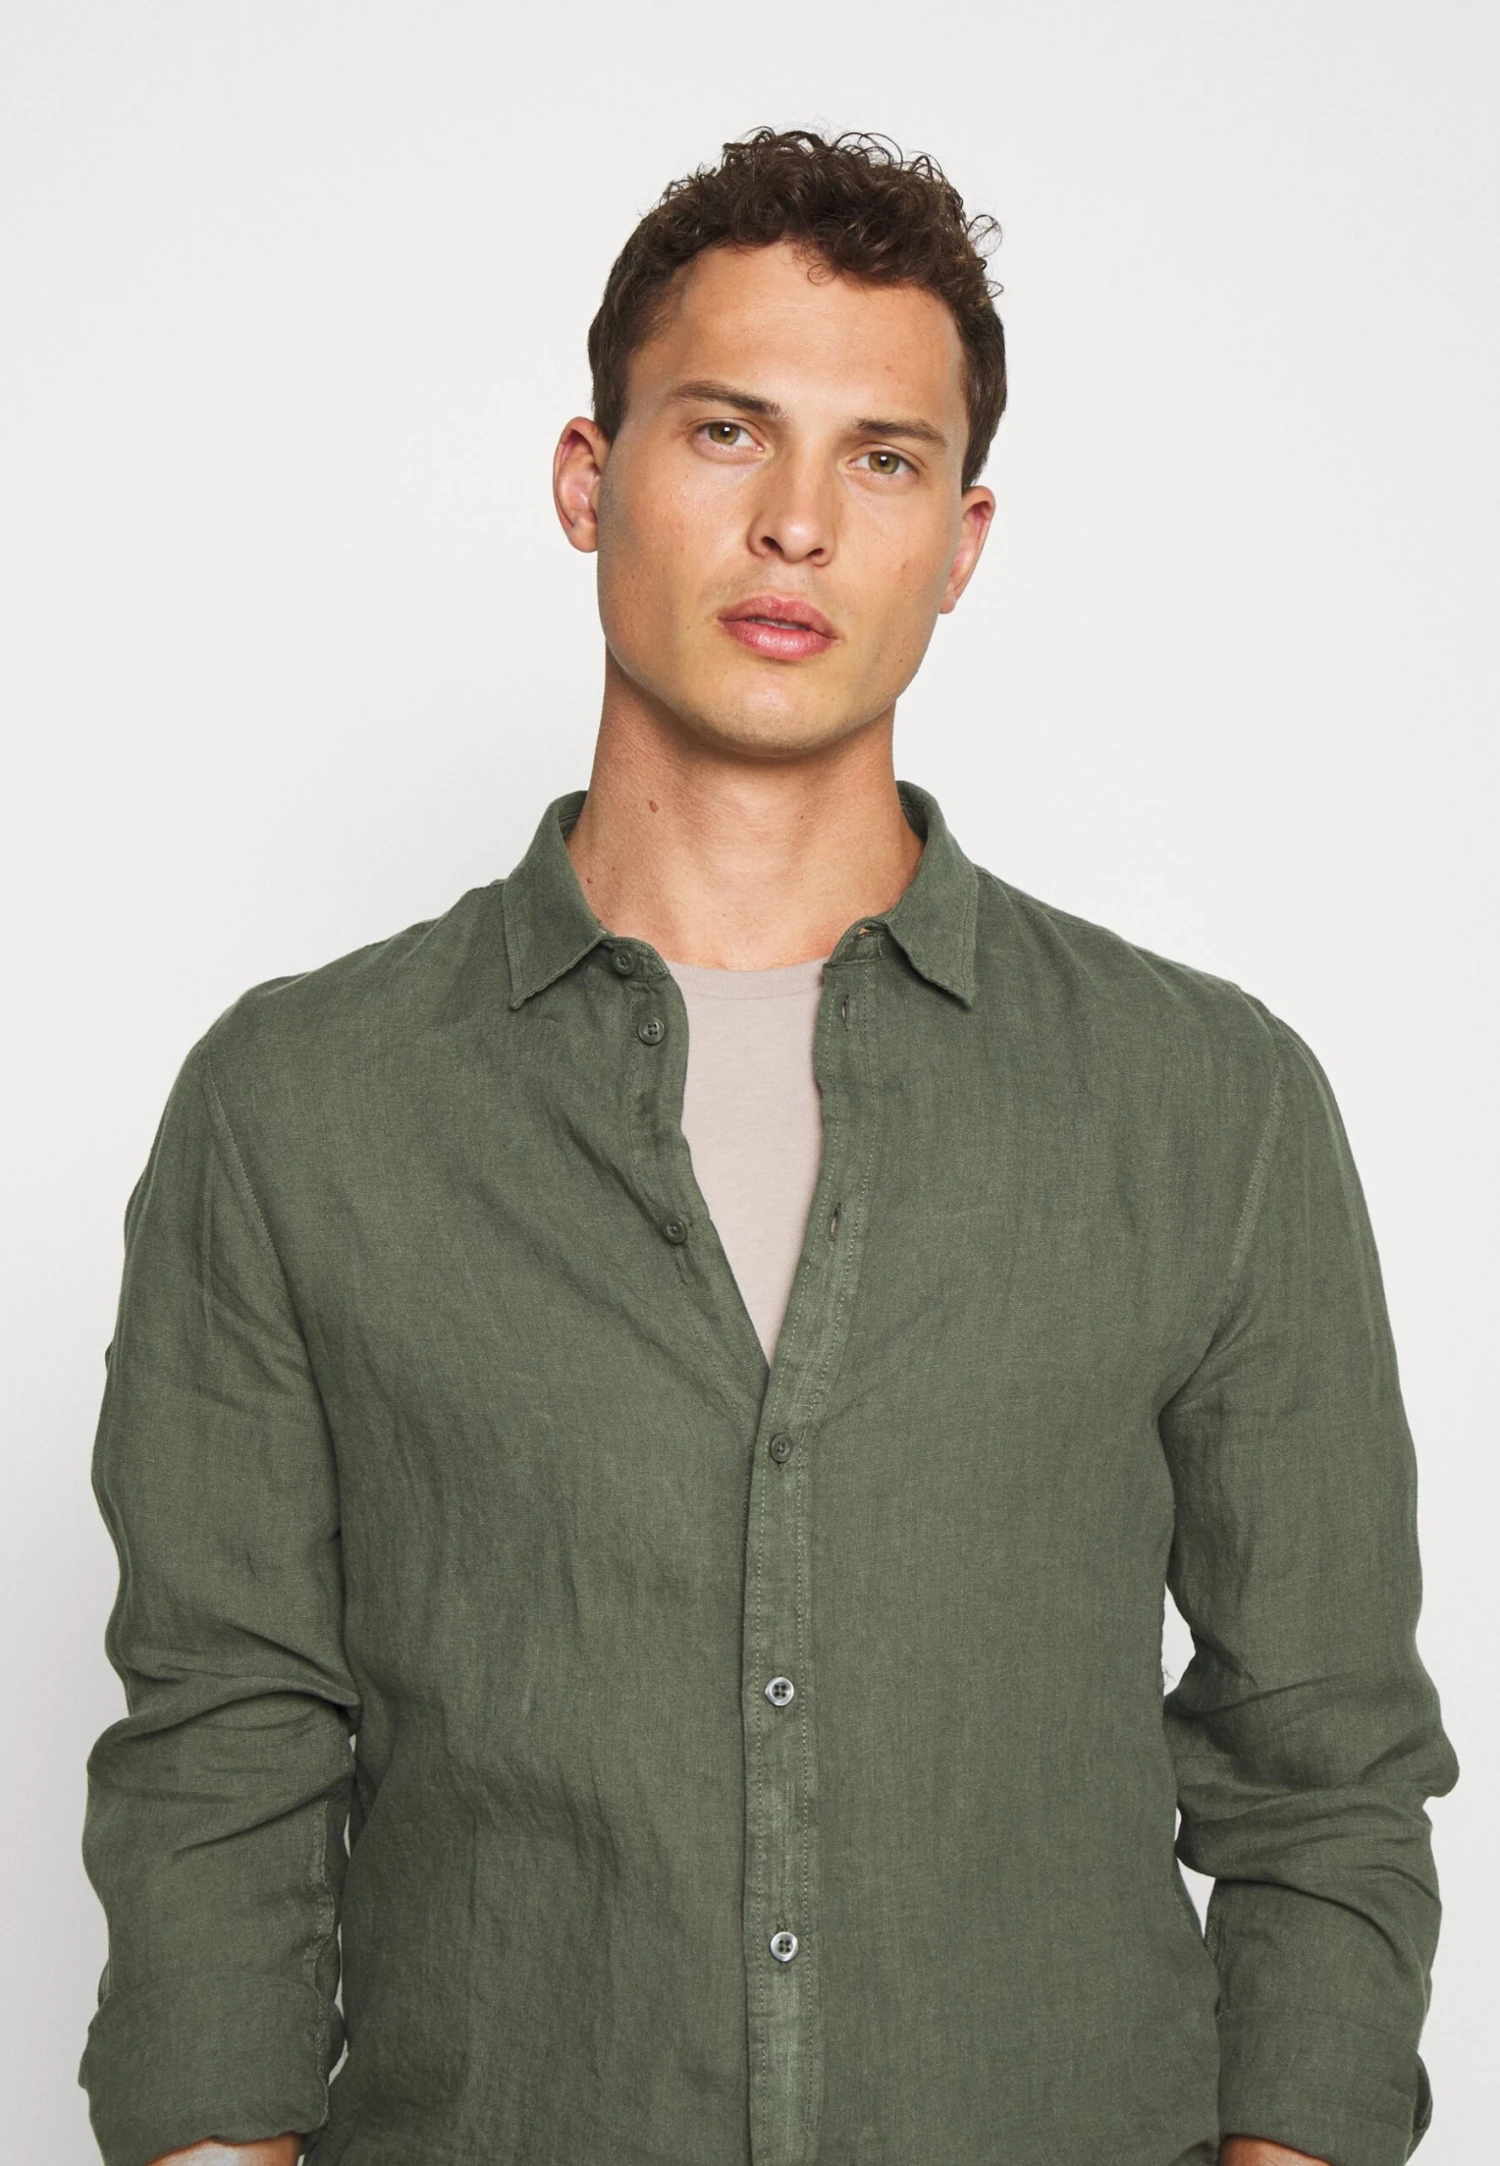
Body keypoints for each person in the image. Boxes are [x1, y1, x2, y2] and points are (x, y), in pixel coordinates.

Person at [80, 129, 1457, 2166]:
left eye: (882, 459)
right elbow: (222, 1760)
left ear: (961, 541)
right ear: (590, 477)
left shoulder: (1209, 1104)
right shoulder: (300, 1107)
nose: (797, 522)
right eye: (727, 430)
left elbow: (1324, 1770)